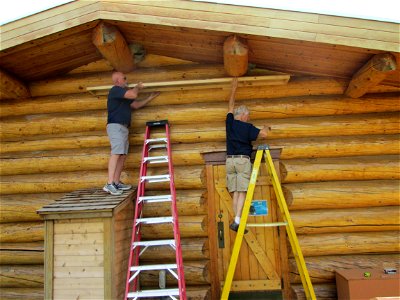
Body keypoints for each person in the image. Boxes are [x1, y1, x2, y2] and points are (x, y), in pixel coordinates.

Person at [103, 71, 160, 195]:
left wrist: (150, 97)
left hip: (122, 127)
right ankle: (109, 184)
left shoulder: (122, 96)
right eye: (124, 78)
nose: (126, 80)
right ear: (118, 81)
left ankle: (116, 182)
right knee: (116, 153)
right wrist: (138, 87)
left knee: (122, 155)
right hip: (116, 126)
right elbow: (133, 95)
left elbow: (136, 104)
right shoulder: (115, 90)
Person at [225, 78, 270, 232]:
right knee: (242, 191)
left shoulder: (229, 122)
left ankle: (236, 219)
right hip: (243, 161)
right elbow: (263, 134)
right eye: (248, 115)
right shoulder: (248, 127)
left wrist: (234, 88)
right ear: (243, 115)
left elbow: (230, 105)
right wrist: (266, 127)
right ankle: (237, 221)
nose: (249, 118)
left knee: (236, 191)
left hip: (230, 162)